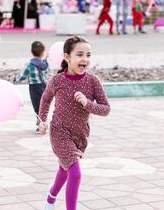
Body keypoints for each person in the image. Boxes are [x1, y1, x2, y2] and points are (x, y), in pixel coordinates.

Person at [38, 36, 111, 210]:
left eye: (88, 55)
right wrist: (42, 119)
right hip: (59, 132)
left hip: (80, 135)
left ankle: (51, 195)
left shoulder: (93, 81)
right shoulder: (57, 81)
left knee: (65, 170)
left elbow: (106, 109)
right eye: (79, 54)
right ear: (67, 57)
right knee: (75, 174)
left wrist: (88, 104)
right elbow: (46, 99)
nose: (85, 59)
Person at [13, 41, 49, 133]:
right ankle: (42, 122)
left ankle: (41, 125)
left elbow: (22, 76)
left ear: (31, 51)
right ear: (43, 52)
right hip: (45, 86)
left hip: (34, 88)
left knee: (37, 107)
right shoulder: (45, 64)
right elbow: (49, 74)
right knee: (43, 106)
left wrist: (15, 79)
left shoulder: (30, 65)